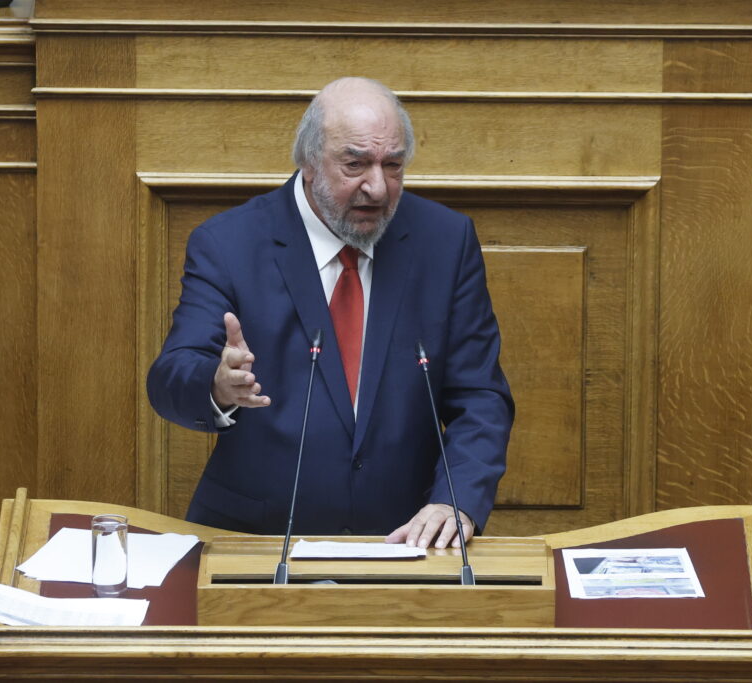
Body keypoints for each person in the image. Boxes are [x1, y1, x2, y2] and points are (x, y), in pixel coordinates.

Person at [147, 77, 513, 549]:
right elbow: (171, 377)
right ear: (309, 160)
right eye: (355, 164)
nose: (377, 188)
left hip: (406, 542)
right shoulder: (228, 243)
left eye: (393, 165)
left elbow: (480, 396)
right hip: (256, 541)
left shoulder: (445, 241)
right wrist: (216, 385)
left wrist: (455, 499)